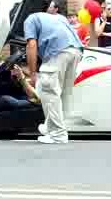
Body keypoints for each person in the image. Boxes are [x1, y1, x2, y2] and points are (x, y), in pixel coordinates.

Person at [24, 11, 83, 144]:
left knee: (48, 92)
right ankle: (50, 128)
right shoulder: (58, 17)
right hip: (76, 51)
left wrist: (33, 73)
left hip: (58, 52)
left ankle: (58, 134)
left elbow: (31, 45)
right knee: (62, 94)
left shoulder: (29, 19)